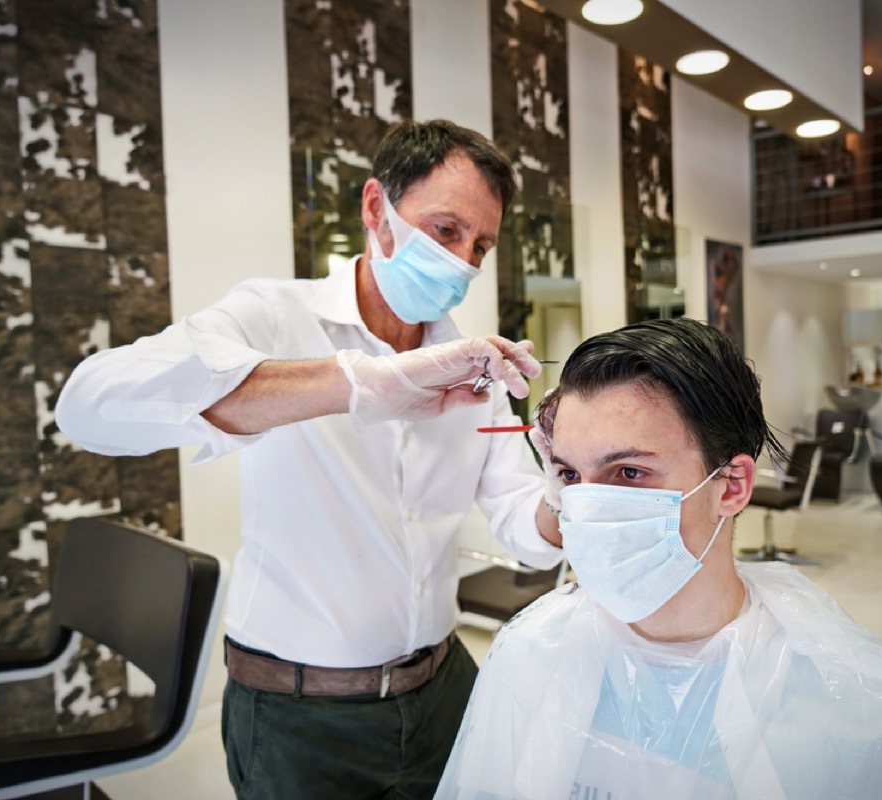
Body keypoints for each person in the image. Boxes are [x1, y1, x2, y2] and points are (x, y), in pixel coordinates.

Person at [55, 119, 564, 799]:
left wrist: (570, 481)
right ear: (376, 209)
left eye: (480, 246)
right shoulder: (273, 316)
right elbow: (90, 406)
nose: (463, 264)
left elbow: (526, 538)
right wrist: (354, 384)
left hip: (443, 690)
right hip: (297, 715)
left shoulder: (469, 369)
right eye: (445, 231)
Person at [436, 318, 882, 800]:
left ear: (733, 486)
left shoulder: (835, 702)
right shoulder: (530, 654)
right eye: (571, 475)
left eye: (629, 472)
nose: (591, 506)